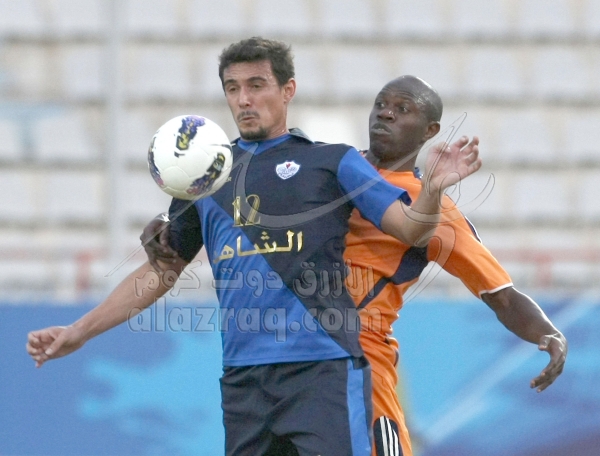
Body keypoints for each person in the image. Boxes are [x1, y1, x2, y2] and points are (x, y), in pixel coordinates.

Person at [26, 38, 481, 456]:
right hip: (244, 380)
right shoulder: (205, 177)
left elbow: (411, 230)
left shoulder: (333, 161)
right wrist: (79, 331)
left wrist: (433, 188)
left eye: (256, 85)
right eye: (233, 88)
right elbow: (161, 271)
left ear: (287, 90)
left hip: (323, 369)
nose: (244, 99)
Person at [141, 75, 567, 456]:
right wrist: (172, 219)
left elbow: (502, 295)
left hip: (360, 366)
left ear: (430, 131)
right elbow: (245, 197)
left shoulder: (431, 211)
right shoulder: (326, 167)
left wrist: (547, 333)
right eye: (381, 104)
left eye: (403, 109)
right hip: (281, 361)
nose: (386, 113)